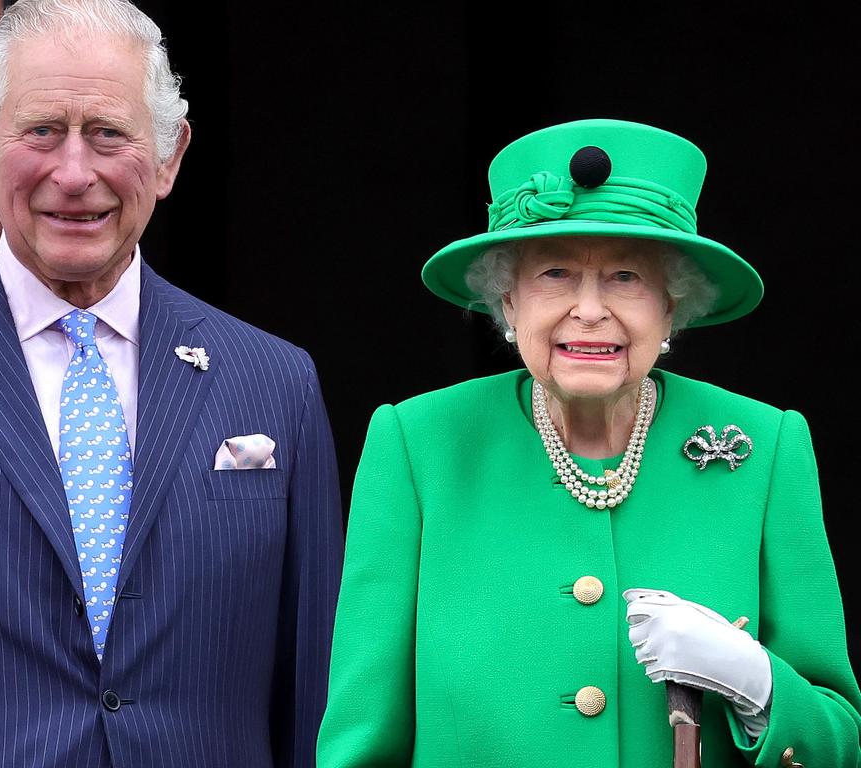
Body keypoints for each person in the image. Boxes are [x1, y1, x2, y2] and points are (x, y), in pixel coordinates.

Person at [0, 1, 343, 765]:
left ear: (170, 158)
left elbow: (314, 698)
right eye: (41, 131)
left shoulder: (275, 382)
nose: (75, 173)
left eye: (109, 133)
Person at [316, 119, 861, 766]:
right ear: (509, 301)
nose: (590, 309)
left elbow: (838, 741)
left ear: (672, 306)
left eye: (627, 277)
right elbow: (361, 741)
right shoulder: (418, 446)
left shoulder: (766, 449)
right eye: (555, 273)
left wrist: (757, 685)